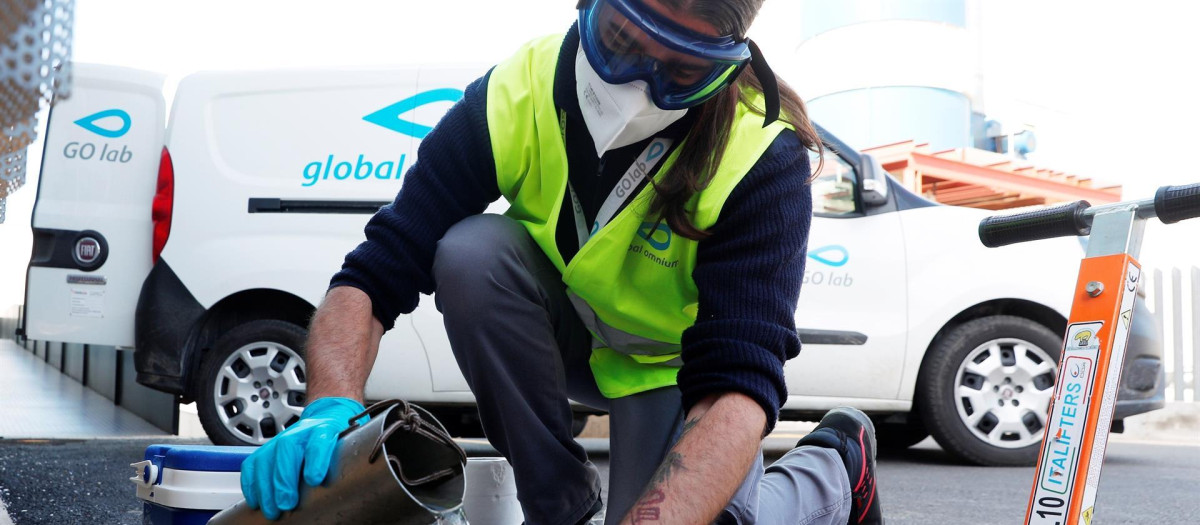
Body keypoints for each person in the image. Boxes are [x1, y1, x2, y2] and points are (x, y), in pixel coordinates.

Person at [239, 0, 884, 523]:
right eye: (622, 39)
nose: (638, 86)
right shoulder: (517, 93)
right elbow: (376, 271)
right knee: (468, 252)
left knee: (715, 515)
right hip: (571, 336)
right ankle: (561, 508)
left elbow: (738, 386)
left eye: (682, 72)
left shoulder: (759, 153)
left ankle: (831, 468)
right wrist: (330, 405)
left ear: (729, 63)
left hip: (677, 375)